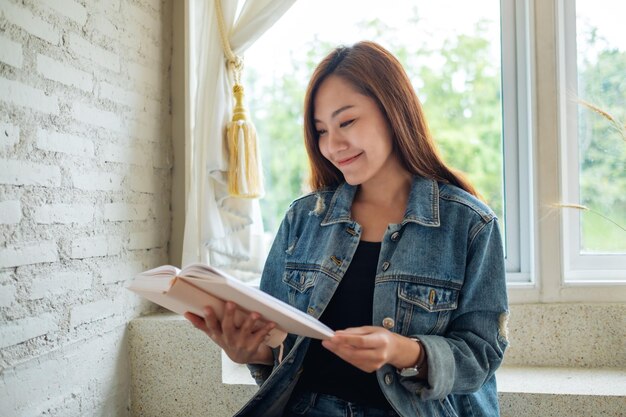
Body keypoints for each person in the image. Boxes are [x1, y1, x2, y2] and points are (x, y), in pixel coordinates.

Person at [185, 40, 509, 417]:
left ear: (393, 111)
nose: (332, 145)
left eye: (347, 122)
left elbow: (482, 354)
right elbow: (278, 345)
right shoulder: (302, 220)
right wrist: (249, 351)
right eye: (321, 131)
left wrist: (404, 351)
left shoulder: (469, 224)